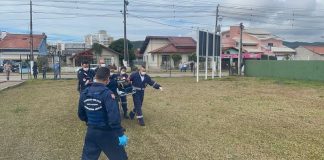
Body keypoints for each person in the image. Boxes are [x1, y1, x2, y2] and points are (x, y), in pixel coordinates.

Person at [78, 67, 128, 160]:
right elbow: (113, 118)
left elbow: (81, 114)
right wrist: (120, 134)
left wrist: (91, 122)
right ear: (107, 79)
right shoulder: (107, 94)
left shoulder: (84, 93)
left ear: (95, 77)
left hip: (91, 132)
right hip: (107, 132)